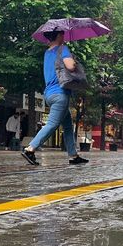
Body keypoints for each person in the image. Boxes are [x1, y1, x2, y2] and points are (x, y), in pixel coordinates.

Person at [21, 30, 89, 165]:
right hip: (60, 93)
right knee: (52, 124)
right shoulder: (63, 48)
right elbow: (70, 66)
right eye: (62, 34)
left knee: (68, 126)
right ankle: (30, 148)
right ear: (58, 35)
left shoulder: (47, 52)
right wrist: (74, 61)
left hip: (49, 94)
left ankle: (73, 156)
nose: (64, 36)